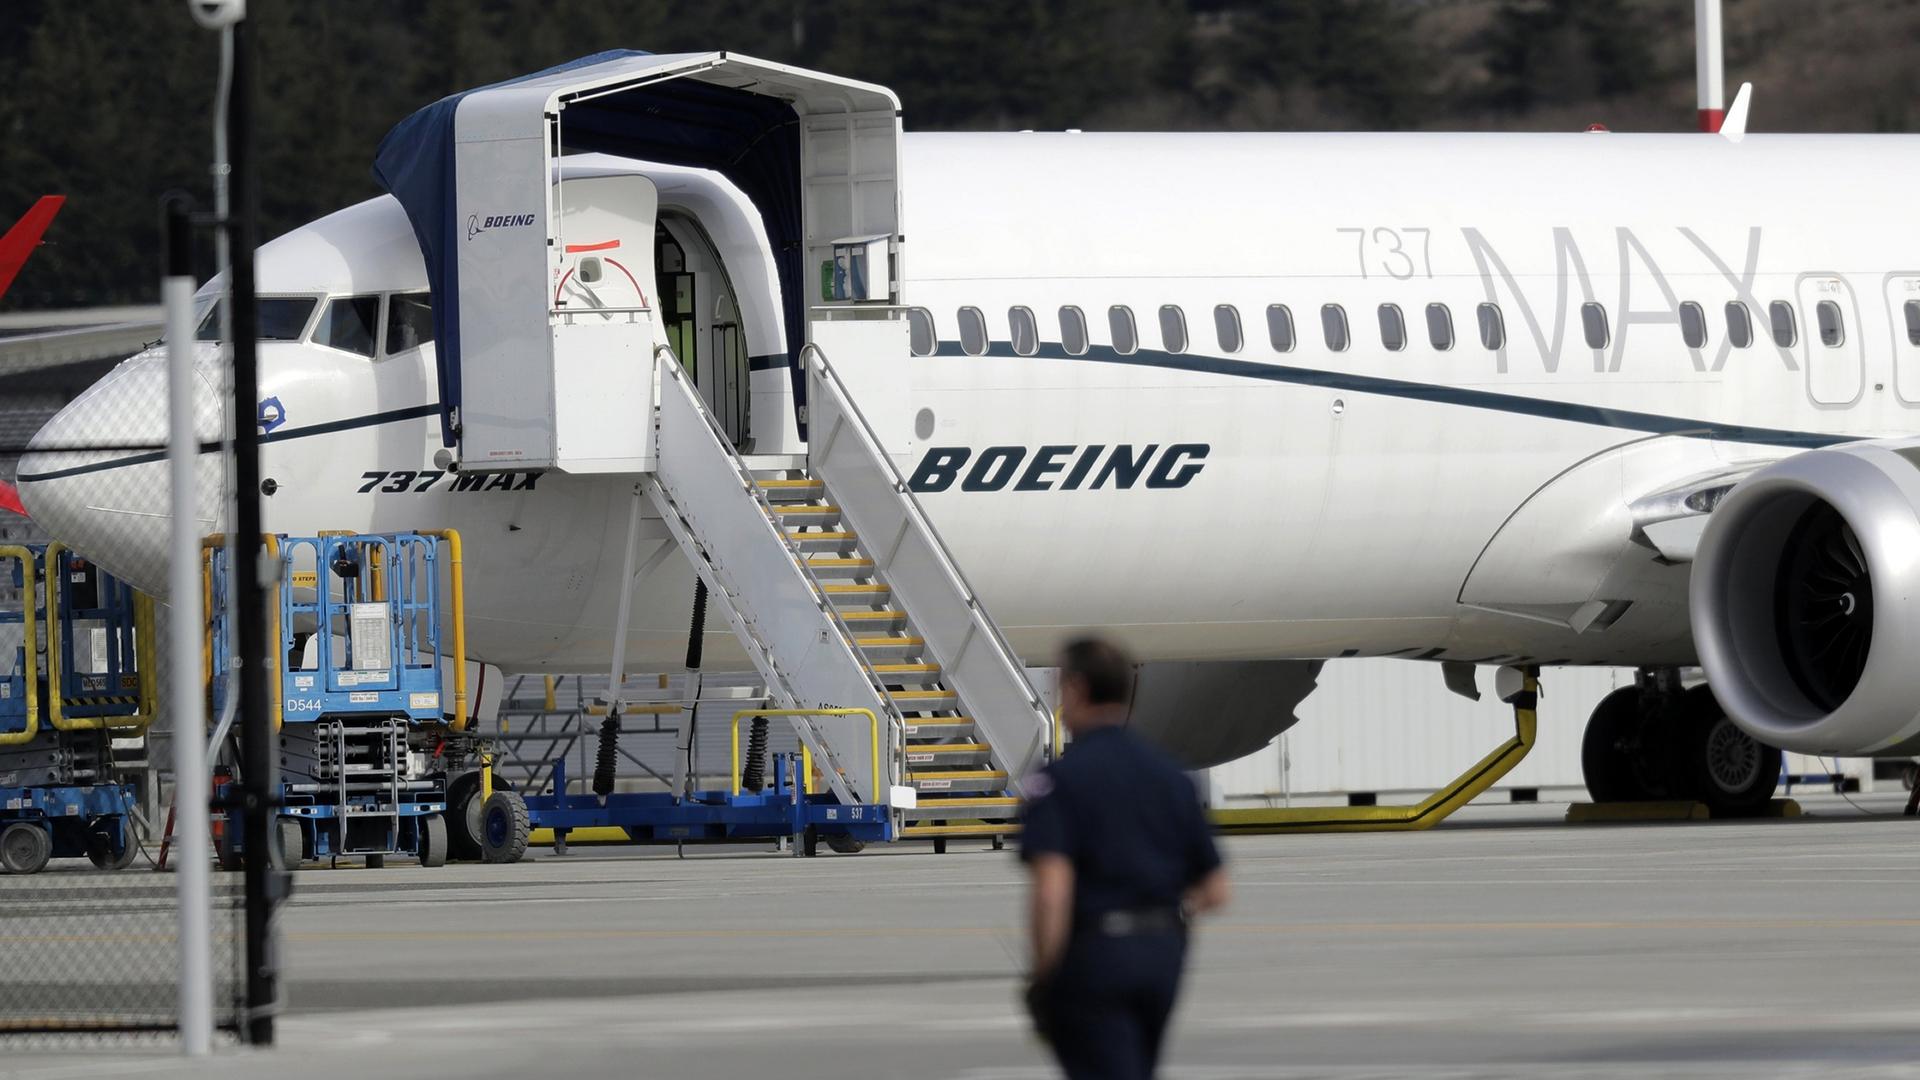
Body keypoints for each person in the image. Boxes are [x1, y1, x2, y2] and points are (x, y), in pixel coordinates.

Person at [1020, 635, 1230, 1080]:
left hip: (1097, 954)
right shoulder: (1172, 778)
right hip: (1162, 953)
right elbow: (1216, 889)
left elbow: (1052, 889)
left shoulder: (1060, 781)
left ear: (1076, 690)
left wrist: (1043, 977)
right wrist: (1163, 915)